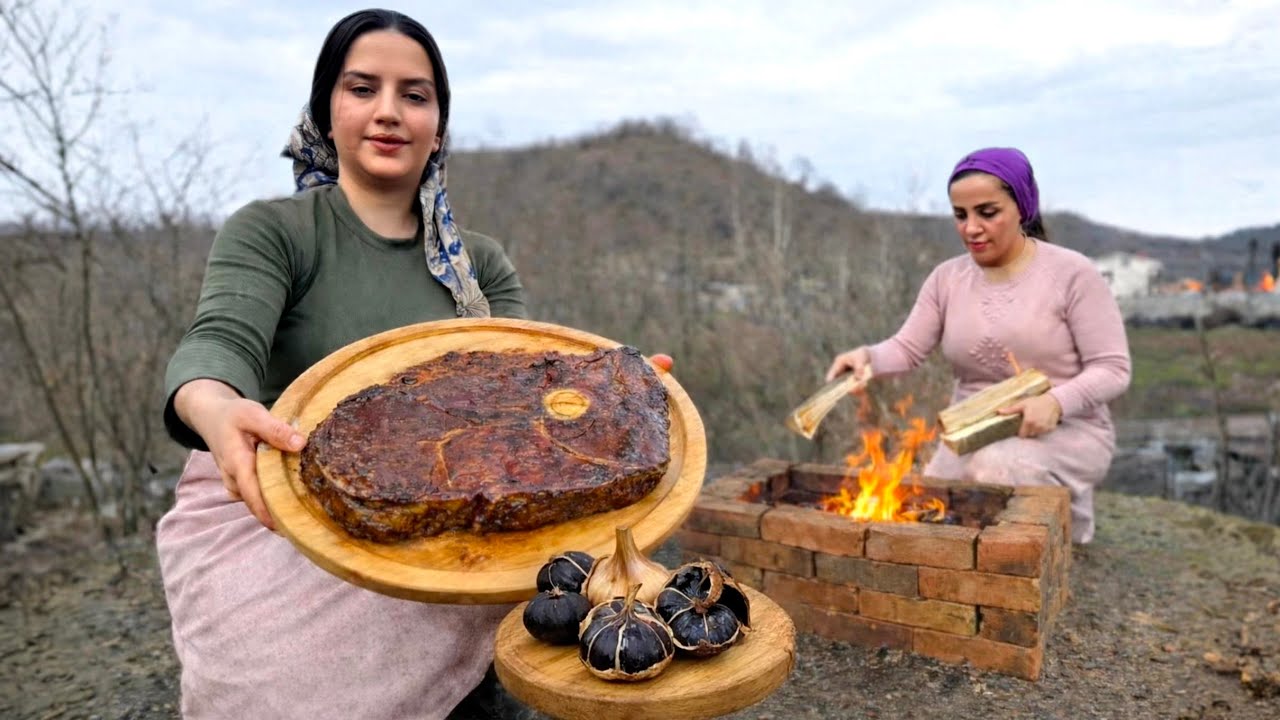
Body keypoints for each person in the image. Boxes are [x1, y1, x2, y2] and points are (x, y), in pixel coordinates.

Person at [158, 9, 541, 718]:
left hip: (456, 539)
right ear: (325, 112)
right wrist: (212, 405)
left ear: (438, 126)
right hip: (287, 522)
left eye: (416, 95)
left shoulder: (478, 267)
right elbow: (220, 341)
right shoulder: (276, 233)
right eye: (362, 88)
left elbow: (522, 394)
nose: (389, 112)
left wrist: (600, 392)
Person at [826, 147, 1130, 544]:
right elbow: (907, 348)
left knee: (996, 470)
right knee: (927, 503)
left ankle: (1063, 530)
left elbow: (1113, 369)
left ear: (1022, 207)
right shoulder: (946, 279)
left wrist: (1055, 403)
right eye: (960, 215)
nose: (971, 227)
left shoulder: (1074, 274)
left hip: (1068, 427)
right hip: (972, 429)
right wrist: (867, 358)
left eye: (987, 213)